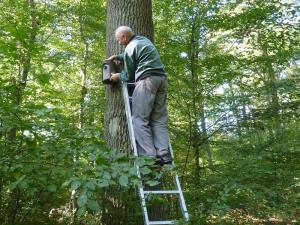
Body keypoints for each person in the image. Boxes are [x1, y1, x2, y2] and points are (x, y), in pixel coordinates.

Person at [108, 26, 172, 165]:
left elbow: (130, 75)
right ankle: (164, 154)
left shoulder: (130, 47)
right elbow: (135, 55)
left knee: (139, 119)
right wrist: (119, 57)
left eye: (118, 39)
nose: (118, 42)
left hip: (146, 82)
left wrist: (119, 76)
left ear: (124, 37)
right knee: (158, 119)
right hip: (161, 80)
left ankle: (149, 156)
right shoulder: (143, 40)